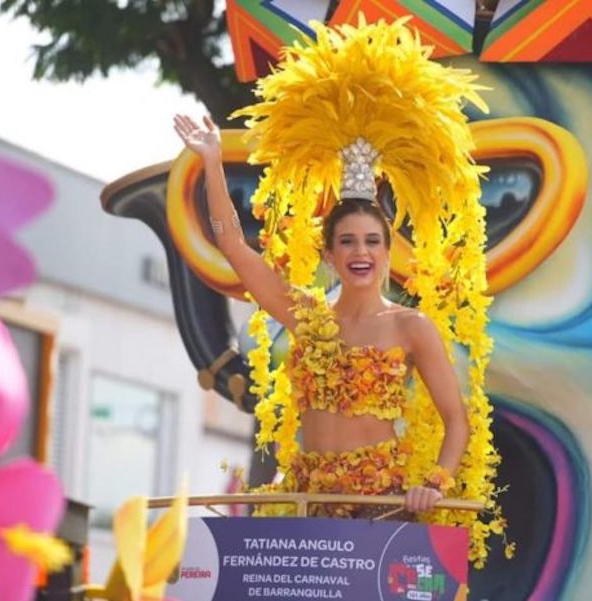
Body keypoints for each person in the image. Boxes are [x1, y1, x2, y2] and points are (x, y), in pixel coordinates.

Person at [173, 113, 469, 516]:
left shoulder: (410, 326)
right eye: (347, 242)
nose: (360, 252)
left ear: (386, 255)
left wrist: (435, 484)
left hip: (379, 509)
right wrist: (212, 162)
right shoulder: (306, 315)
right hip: (306, 504)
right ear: (330, 255)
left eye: (371, 242)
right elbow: (232, 244)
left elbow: (456, 420)